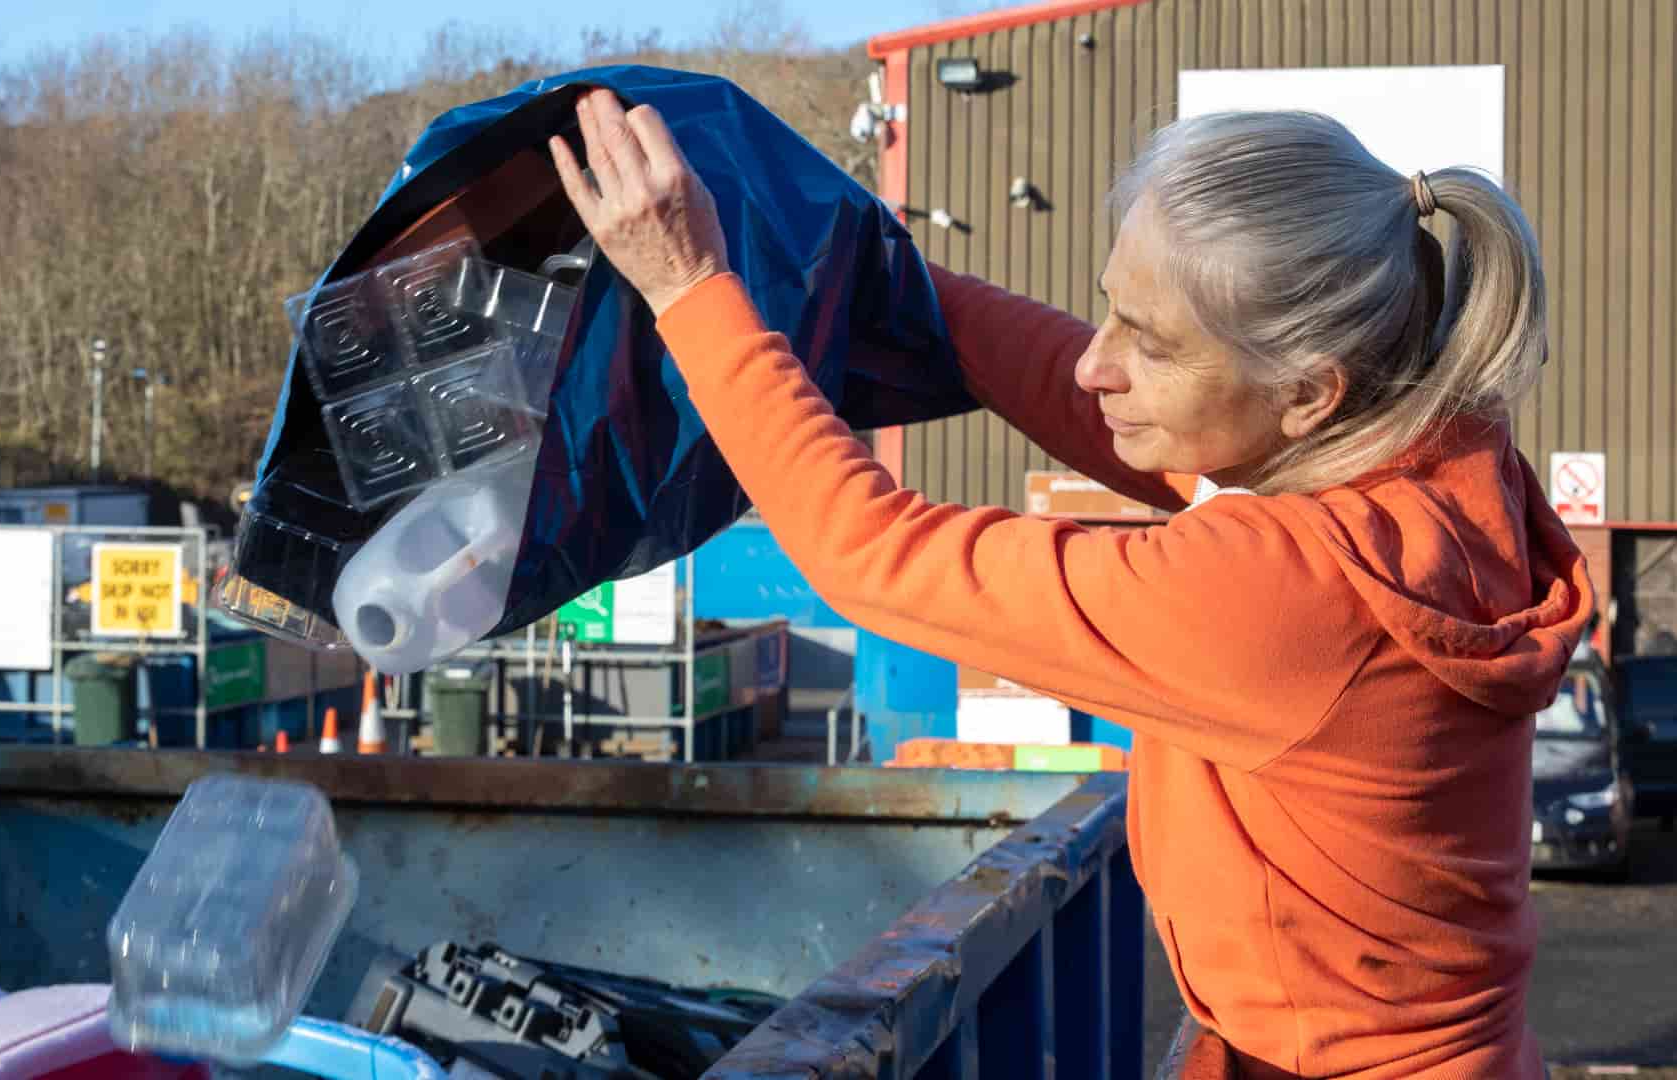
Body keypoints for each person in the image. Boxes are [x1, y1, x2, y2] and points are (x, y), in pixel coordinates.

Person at [547, 90, 1594, 1079]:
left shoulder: (1291, 596)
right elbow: (1096, 395)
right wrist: (893, 269)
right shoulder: (1432, 466)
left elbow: (876, 555)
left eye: (1152, 345)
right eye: (1112, 311)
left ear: (1309, 394)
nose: (1101, 364)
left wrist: (692, 293)